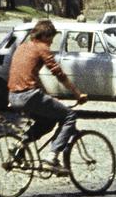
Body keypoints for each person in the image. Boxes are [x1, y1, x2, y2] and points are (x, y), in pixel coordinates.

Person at [8, 18, 88, 175]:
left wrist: (46, 95)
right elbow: (58, 73)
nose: (52, 42)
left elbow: (28, 75)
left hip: (13, 97)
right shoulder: (42, 47)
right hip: (28, 95)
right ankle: (52, 158)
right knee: (69, 116)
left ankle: (19, 147)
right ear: (45, 36)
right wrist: (77, 93)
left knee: (48, 121)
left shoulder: (22, 47)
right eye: (51, 37)